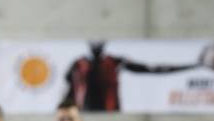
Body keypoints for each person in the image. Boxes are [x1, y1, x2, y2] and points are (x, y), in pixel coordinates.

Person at [63, 41, 199, 111]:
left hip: (112, 116)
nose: (97, 42)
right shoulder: (77, 64)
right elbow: (67, 95)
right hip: (84, 117)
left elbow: (153, 69)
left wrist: (192, 65)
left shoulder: (114, 62)